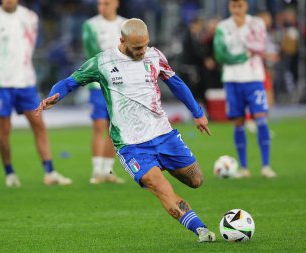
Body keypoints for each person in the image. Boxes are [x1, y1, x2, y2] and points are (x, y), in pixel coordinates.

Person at [36, 18, 216, 242]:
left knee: (196, 180)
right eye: (137, 48)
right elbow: (70, 81)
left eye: (145, 45)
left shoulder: (155, 55)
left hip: (163, 134)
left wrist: (197, 113)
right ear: (122, 41)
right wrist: (55, 94)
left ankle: (162, 165)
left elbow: (176, 83)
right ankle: (202, 230)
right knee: (158, 186)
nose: (143, 51)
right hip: (132, 145)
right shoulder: (102, 62)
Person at [0, 0, 72, 187]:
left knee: (39, 124)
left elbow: (29, 46)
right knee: (4, 129)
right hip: (2, 82)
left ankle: (50, 172)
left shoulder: (30, 18)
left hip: (26, 81)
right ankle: (9, 173)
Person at [213, 0, 276, 178]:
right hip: (232, 79)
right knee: (238, 123)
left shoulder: (257, 23)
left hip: (254, 78)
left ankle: (266, 166)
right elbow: (219, 54)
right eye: (233, 6)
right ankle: (244, 168)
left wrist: (238, 51)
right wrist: (242, 55)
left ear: (246, 6)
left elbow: (259, 46)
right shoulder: (223, 27)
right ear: (229, 7)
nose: (237, 9)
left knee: (261, 119)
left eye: (240, 5)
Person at [82, 0, 126, 184]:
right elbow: (92, 52)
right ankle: (96, 171)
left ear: (116, 3)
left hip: (120, 84)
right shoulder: (90, 25)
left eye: (106, 3)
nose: (102, 7)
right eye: (100, 4)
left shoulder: (126, 24)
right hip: (98, 83)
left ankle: (108, 171)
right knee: (99, 125)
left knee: (114, 127)